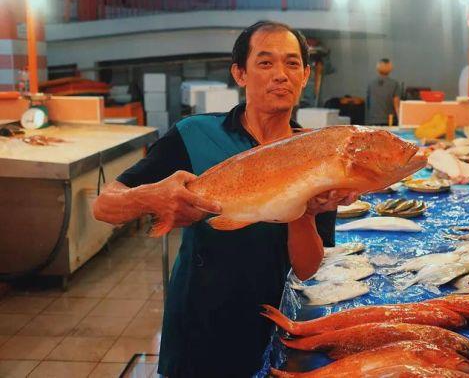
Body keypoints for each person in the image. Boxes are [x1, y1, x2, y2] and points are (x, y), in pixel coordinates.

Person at [93, 21, 359, 377]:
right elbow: (105, 205)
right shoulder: (195, 134)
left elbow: (307, 268)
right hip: (197, 326)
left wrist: (305, 213)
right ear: (240, 73)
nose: (281, 75)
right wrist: (152, 196)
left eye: (292, 64)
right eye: (265, 63)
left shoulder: (316, 154)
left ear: (306, 74)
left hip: (268, 323)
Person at [365, 58, 402, 125]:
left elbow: (368, 105)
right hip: (389, 121)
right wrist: (401, 121)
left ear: (377, 69)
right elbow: (396, 104)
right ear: (390, 68)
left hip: (373, 121)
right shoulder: (394, 84)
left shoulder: (371, 84)